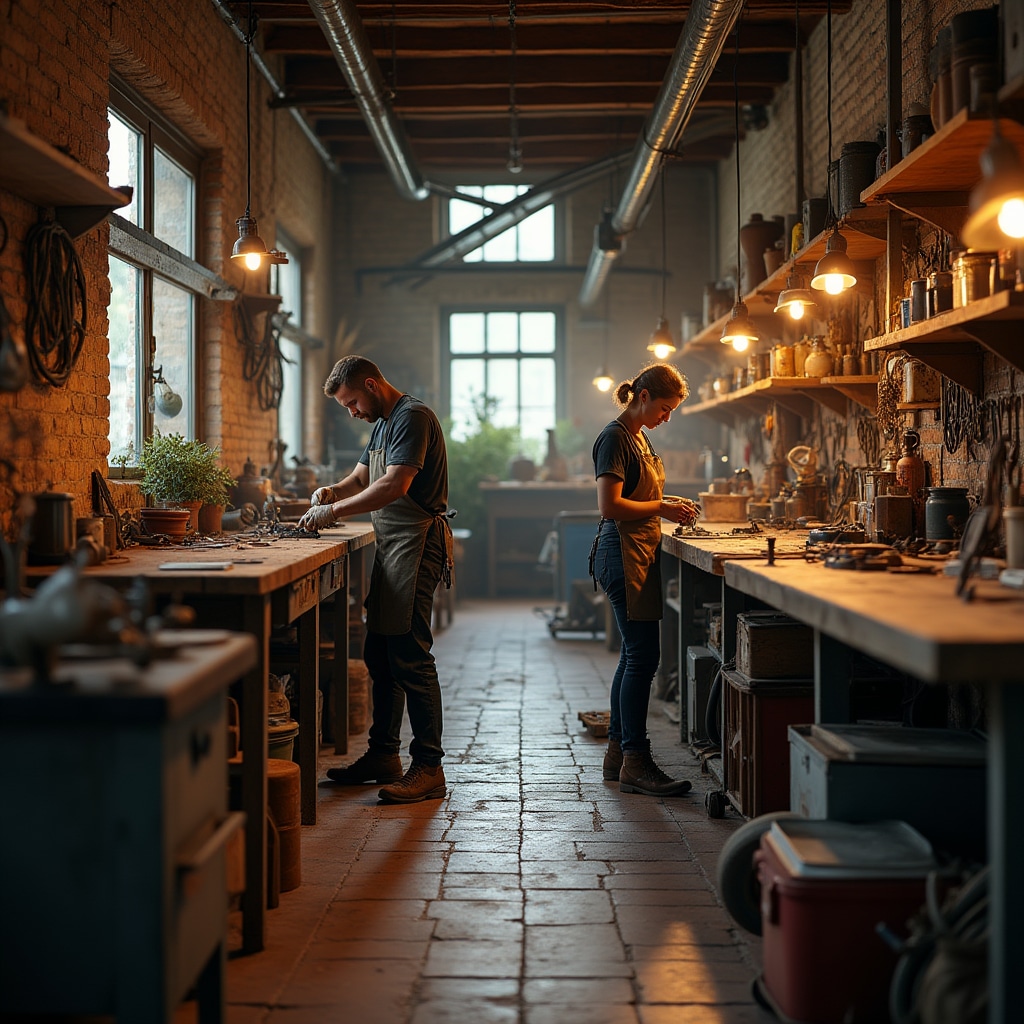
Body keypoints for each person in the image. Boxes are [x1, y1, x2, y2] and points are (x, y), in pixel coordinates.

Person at [298, 355, 453, 804]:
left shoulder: (413, 417)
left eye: (351, 402)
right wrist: (332, 490)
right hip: (393, 545)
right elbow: (362, 477)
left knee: (410, 654)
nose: (352, 412)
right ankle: (384, 755)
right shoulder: (382, 422)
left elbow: (394, 486)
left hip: (418, 543)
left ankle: (429, 767)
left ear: (370, 384)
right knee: (380, 652)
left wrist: (334, 512)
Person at [589, 363, 700, 797]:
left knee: (633, 656)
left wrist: (664, 502)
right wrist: (660, 509)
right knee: (642, 658)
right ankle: (636, 760)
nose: (667, 417)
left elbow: (639, 494)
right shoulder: (614, 437)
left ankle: (619, 754)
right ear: (643, 396)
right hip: (620, 553)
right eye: (665, 408)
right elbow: (610, 506)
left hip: (636, 552)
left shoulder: (639, 437)